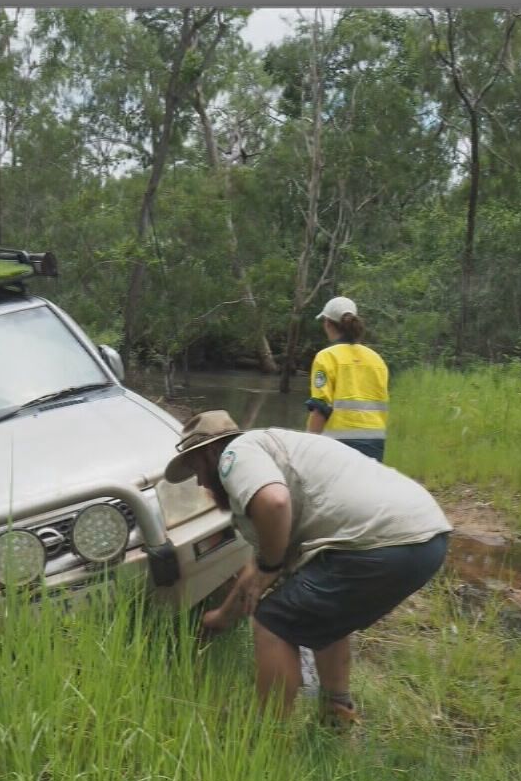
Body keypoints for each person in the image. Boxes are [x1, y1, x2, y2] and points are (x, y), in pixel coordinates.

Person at [169, 411, 451, 727]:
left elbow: (274, 503)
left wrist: (270, 566)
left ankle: (266, 739)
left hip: (382, 543)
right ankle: (336, 714)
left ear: (211, 451)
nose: (201, 481)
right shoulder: (280, 449)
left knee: (273, 621)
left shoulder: (237, 452)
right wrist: (221, 618)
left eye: (196, 468)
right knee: (322, 616)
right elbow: (257, 570)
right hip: (427, 538)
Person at [305, 296, 391, 462]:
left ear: (328, 323)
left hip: (338, 444)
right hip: (374, 442)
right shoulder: (376, 359)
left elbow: (320, 408)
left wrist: (306, 447)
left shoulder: (327, 357)